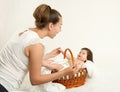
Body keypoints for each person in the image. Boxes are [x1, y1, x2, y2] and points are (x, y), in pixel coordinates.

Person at [0, 4, 77, 92]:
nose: (60, 30)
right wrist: (64, 72)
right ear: (51, 26)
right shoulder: (36, 45)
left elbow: (21, 58)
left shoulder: (23, 31)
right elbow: (35, 80)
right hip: (4, 86)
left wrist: (48, 55)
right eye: (60, 26)